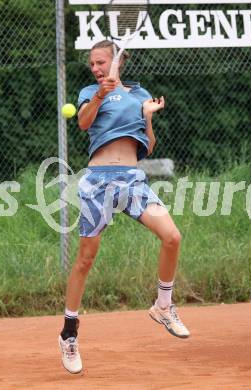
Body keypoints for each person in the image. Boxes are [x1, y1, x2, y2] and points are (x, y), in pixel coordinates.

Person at [58, 40, 190, 374]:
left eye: (100, 62)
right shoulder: (91, 91)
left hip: (133, 180)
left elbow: (147, 144)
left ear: (118, 60)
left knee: (172, 237)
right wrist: (101, 92)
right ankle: (69, 333)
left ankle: (163, 305)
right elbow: (84, 123)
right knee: (86, 259)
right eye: (92, 64)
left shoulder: (139, 93)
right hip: (99, 181)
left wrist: (147, 118)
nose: (95, 68)